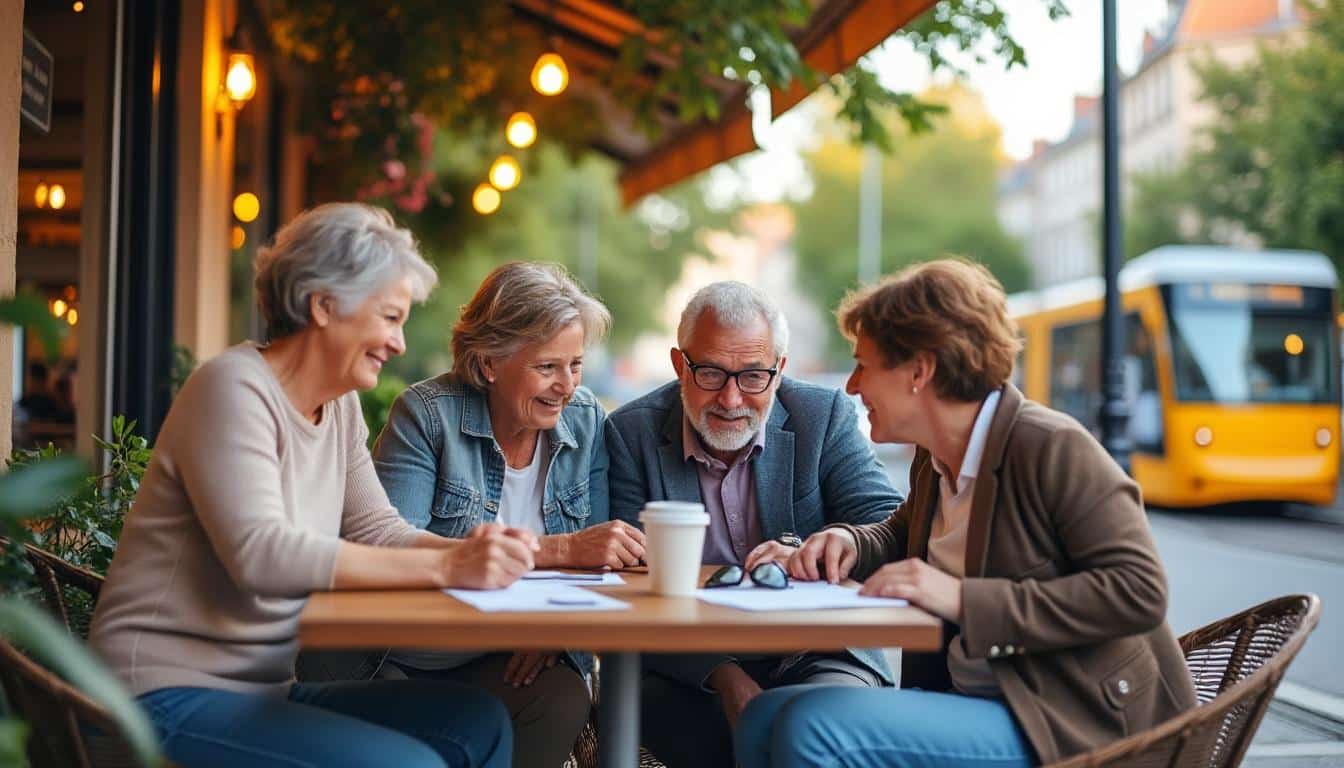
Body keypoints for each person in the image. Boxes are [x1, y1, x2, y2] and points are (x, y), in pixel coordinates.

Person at [89, 203, 533, 768]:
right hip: (154, 698)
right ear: (324, 305)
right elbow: (262, 555)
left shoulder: (338, 405)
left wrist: (478, 554)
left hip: (259, 692)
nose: (398, 343)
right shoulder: (232, 389)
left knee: (478, 724)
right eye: (389, 317)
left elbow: (377, 529)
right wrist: (449, 568)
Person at [735, 259, 1198, 768]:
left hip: (1074, 723)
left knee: (812, 729)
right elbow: (901, 534)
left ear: (919, 370)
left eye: (864, 364)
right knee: (764, 716)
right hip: (980, 700)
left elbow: (1140, 591)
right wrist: (847, 542)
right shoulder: (936, 460)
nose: (851, 386)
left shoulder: (1050, 447)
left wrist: (961, 599)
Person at [604, 281, 904, 767]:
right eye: (710, 373)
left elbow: (885, 525)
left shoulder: (822, 416)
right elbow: (625, 582)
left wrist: (827, 543)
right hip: (687, 666)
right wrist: (722, 674)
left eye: (752, 377)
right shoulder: (631, 433)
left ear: (779, 371)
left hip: (818, 650)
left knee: (822, 729)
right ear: (680, 366)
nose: (730, 398)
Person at [369, 261, 631, 768]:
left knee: (562, 697)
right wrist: (554, 551)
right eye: (547, 367)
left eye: (575, 365)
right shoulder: (425, 416)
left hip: (515, 657)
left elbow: (599, 563)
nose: (567, 385)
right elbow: (390, 557)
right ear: (490, 362)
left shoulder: (586, 420)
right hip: (412, 658)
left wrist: (557, 634)